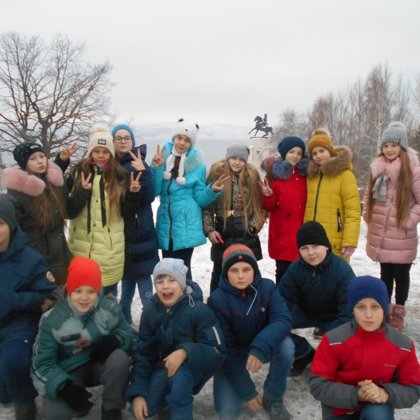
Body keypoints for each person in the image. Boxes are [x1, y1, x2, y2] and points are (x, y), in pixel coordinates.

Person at [31, 256, 136, 420]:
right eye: (78, 291)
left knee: (119, 358)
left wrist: (117, 339)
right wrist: (63, 387)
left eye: (91, 291)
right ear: (69, 289)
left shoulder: (109, 309)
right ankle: (76, 403)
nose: (84, 298)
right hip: (69, 370)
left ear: (98, 291)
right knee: (55, 413)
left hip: (99, 365)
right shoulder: (52, 320)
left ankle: (112, 408)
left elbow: (132, 335)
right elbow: (41, 364)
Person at [126, 258, 226, 420]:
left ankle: (180, 413)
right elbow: (143, 354)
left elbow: (217, 351)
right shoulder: (150, 310)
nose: (166, 286)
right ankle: (165, 401)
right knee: (141, 410)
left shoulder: (199, 310)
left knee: (180, 377)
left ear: (182, 283)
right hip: (162, 368)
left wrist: (186, 352)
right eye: (160, 281)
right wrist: (138, 393)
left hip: (193, 369)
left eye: (172, 280)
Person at [310, 275, 420, 419]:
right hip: (339, 410)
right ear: (352, 309)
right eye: (361, 307)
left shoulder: (402, 345)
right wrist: (358, 394)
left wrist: (385, 393)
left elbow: (413, 389)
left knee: (378, 414)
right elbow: (318, 385)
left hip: (378, 408)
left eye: (375, 307)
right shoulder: (333, 340)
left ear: (384, 309)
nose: (368, 315)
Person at [208, 244, 294, 419]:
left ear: (254, 270)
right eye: (234, 270)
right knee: (227, 411)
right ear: (225, 273)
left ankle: (273, 398)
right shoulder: (217, 300)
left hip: (261, 346)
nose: (241, 276)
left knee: (286, 346)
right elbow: (224, 348)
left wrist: (260, 347)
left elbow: (283, 319)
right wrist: (247, 391)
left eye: (246, 269)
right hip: (233, 355)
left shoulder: (268, 288)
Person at [66, 124, 142, 294]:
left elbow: (127, 213)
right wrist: (81, 192)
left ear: (111, 153)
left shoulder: (120, 175)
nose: (101, 156)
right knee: (81, 298)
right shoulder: (78, 173)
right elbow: (69, 212)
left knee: (107, 300)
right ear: (90, 152)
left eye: (105, 152)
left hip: (109, 250)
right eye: (96, 151)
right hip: (80, 248)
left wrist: (133, 194)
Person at [0, 194, 57, 420]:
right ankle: (5, 401)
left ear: (11, 224)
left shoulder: (30, 259)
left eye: (0, 223)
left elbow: (47, 296)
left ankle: (24, 404)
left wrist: (14, 300)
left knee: (13, 360)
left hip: (19, 324)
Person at [150, 118, 227, 281]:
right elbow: (155, 191)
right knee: (167, 267)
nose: (182, 143)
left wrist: (211, 190)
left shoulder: (197, 166)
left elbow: (200, 198)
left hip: (186, 222)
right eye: (179, 138)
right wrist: (156, 168)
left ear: (191, 143)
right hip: (166, 222)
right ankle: (170, 296)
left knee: (182, 269)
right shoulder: (162, 158)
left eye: (187, 140)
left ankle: (189, 296)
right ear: (173, 138)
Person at [363, 122, 420, 332]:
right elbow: (369, 194)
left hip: (402, 234)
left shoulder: (412, 169)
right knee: (385, 274)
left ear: (402, 146)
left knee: (401, 276)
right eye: (385, 145)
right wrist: (367, 214)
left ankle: (398, 313)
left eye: (393, 145)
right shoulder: (377, 167)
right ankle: (385, 310)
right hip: (381, 233)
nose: (389, 149)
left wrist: (409, 221)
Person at [279, 221, 354, 376]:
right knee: (271, 325)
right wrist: (278, 323)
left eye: (315, 246)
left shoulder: (342, 270)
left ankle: (331, 359)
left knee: (344, 345)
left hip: (334, 318)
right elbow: (280, 301)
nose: (310, 253)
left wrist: (331, 339)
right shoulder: (296, 268)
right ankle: (303, 352)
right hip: (305, 313)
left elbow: (348, 313)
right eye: (304, 248)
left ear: (326, 246)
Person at [2, 141, 76, 284]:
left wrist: (62, 161)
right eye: (33, 158)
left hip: (61, 256)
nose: (40, 161)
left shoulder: (51, 184)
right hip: (37, 261)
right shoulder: (18, 193)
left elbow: (48, 183)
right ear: (24, 163)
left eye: (42, 156)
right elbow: (17, 233)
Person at [111, 123, 159, 324]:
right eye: (119, 138)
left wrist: (144, 171)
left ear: (132, 141)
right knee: (127, 279)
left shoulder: (139, 162)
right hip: (120, 231)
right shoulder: (111, 165)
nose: (123, 141)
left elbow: (150, 196)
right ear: (113, 142)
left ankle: (150, 323)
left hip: (141, 231)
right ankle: (125, 320)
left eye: (127, 138)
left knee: (144, 279)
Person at [203, 144, 265, 293]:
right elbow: (207, 206)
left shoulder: (252, 176)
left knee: (248, 271)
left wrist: (253, 227)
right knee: (219, 272)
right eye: (233, 158)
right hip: (223, 229)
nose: (237, 162)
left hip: (246, 231)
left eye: (241, 160)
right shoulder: (216, 174)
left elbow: (260, 206)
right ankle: (216, 303)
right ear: (227, 158)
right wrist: (209, 230)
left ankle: (252, 302)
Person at [304, 128, 360, 260]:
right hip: (312, 242)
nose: (319, 155)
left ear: (330, 150)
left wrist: (350, 242)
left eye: (322, 150)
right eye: (314, 153)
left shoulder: (345, 176)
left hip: (335, 243)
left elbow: (353, 212)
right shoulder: (311, 177)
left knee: (335, 273)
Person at [261, 136, 307, 283]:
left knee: (303, 275)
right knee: (283, 273)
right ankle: (280, 297)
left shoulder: (306, 174)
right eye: (292, 152)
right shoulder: (273, 175)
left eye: (299, 153)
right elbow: (268, 207)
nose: (295, 156)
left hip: (302, 232)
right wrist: (268, 195)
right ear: (284, 153)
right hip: (282, 232)